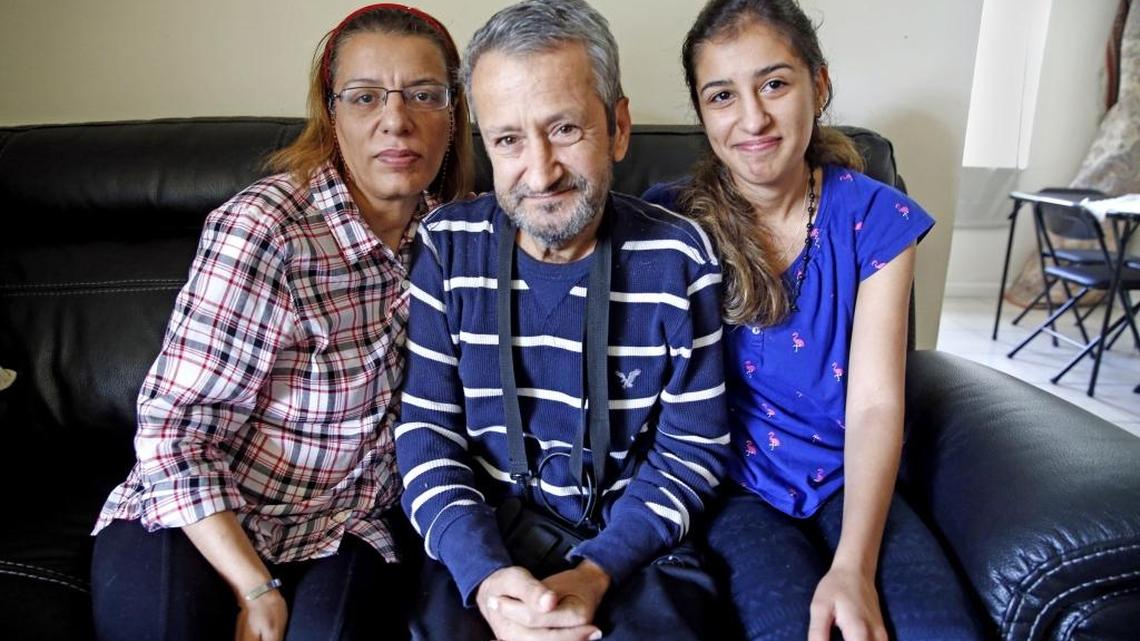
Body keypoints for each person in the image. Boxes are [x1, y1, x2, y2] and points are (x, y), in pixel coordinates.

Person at [89, 5, 473, 641]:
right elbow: (173, 433)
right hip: (202, 510)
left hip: (344, 523)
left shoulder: (454, 236)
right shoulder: (265, 229)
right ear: (332, 112)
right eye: (365, 96)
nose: (396, 120)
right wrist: (253, 586)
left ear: (454, 114)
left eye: (425, 95)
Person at [642, 1, 986, 640]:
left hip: (852, 479)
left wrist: (853, 565)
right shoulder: (670, 223)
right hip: (734, 489)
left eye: (774, 84)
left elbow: (876, 404)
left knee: (939, 628)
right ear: (702, 111)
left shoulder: (878, 218)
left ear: (819, 84)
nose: (752, 118)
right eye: (722, 96)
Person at [395, 2, 729, 640]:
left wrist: (595, 573)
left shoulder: (682, 259)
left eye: (566, 129)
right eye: (509, 140)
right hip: (482, 547)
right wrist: (488, 577)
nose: (540, 171)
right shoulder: (446, 247)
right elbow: (426, 436)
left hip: (637, 552)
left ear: (619, 128)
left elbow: (693, 453)